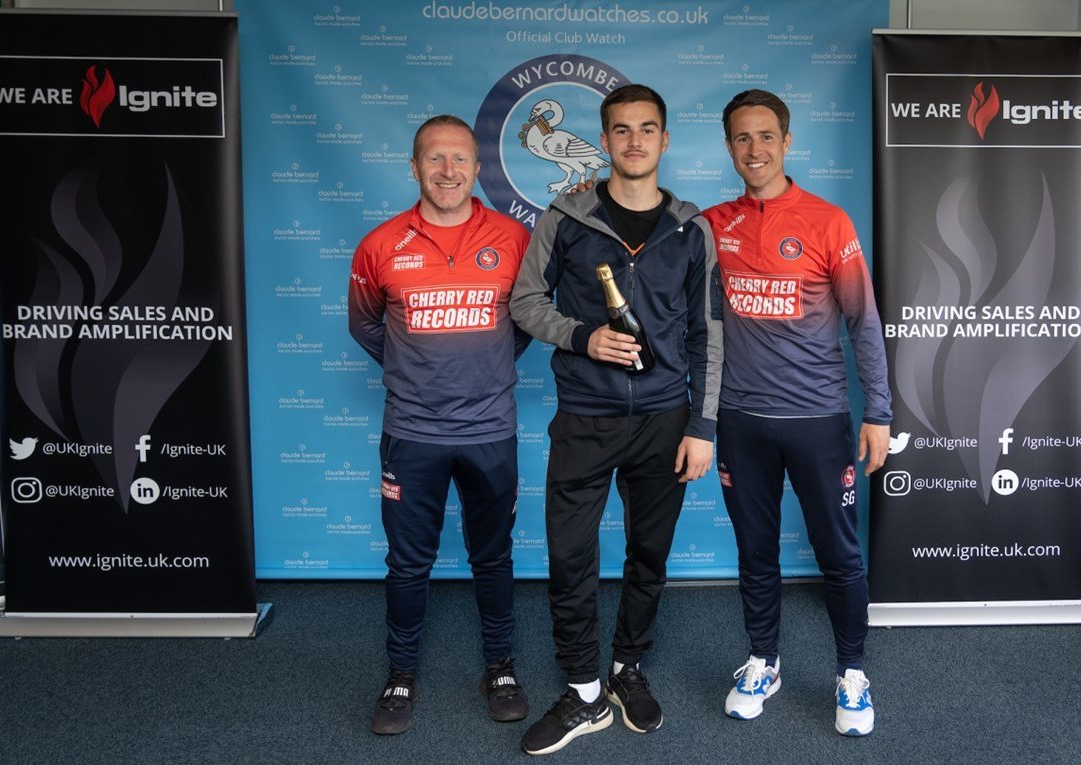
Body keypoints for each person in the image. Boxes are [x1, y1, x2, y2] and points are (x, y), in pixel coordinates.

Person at [509, 83, 722, 756]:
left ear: (664, 139)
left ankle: (628, 667)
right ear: (603, 142)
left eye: (647, 129)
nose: (634, 141)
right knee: (570, 555)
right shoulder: (565, 217)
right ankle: (583, 690)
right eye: (621, 130)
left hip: (665, 419)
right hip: (586, 416)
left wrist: (703, 426)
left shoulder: (691, 229)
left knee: (648, 554)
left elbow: (707, 333)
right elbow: (525, 301)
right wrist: (583, 337)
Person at [700, 89, 892, 737]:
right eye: (741, 138)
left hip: (817, 420)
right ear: (729, 147)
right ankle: (764, 661)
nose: (754, 149)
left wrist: (879, 412)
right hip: (741, 420)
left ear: (786, 141)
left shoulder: (827, 221)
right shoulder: (712, 224)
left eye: (765, 136)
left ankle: (852, 673)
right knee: (755, 551)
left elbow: (864, 322)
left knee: (838, 553)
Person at [348, 114, 532, 735]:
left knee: (493, 556)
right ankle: (400, 673)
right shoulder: (380, 245)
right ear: (414, 166)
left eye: (459, 159)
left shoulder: (514, 238)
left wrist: (485, 366)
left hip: (490, 430)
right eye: (434, 158)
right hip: (412, 432)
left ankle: (500, 667)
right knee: (407, 563)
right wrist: (414, 367)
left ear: (477, 168)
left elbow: (527, 323)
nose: (448, 171)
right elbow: (365, 324)